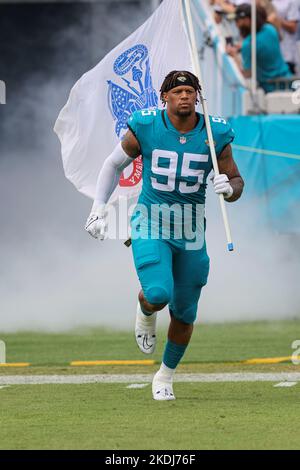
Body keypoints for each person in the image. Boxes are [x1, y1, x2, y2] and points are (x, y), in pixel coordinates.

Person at [85, 71, 244, 401]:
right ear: (165, 97)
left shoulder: (215, 133)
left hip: (190, 229)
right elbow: (113, 164)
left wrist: (228, 188)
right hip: (151, 222)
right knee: (158, 293)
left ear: (197, 96)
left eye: (190, 91)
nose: (184, 96)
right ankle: (145, 312)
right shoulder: (146, 124)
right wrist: (99, 205)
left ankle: (165, 375)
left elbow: (236, 181)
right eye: (178, 91)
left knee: (185, 312)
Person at [226, 4, 291, 92]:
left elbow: (246, 74)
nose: (236, 25)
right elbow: (264, 46)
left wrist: (234, 56)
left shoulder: (248, 45)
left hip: (271, 89)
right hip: (288, 82)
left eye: (237, 21)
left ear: (247, 20)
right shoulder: (270, 29)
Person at [272, 0, 300, 74]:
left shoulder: (292, 2)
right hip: (275, 54)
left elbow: (293, 28)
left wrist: (277, 19)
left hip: (288, 55)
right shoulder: (272, 2)